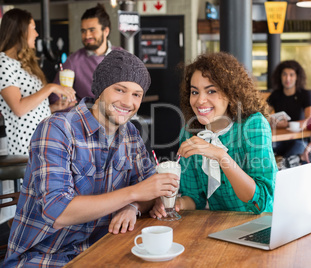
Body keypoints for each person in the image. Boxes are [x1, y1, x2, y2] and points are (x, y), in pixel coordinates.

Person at [3, 50, 179, 267]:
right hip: (45, 257)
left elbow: (151, 190)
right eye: (120, 90)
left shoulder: (131, 134)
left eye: (136, 94)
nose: (127, 101)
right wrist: (134, 193)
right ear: (100, 89)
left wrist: (133, 206)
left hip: (103, 251)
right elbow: (58, 212)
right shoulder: (57, 128)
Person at [150, 52, 277, 219]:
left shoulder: (253, 125)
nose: (200, 100)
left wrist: (220, 156)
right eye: (194, 92)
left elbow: (261, 202)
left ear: (231, 93)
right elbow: (196, 199)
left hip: (258, 223)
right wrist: (176, 203)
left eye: (211, 91)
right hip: (218, 227)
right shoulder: (189, 133)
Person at [0, 8, 76, 155]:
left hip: (39, 140)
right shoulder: (3, 62)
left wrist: (53, 107)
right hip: (22, 146)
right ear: (21, 31)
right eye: (33, 28)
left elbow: (31, 107)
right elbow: (19, 108)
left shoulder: (23, 64)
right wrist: (51, 88)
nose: (36, 34)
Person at [50, 3, 123, 104]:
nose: (87, 35)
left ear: (106, 31)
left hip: (120, 116)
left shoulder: (123, 56)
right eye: (83, 31)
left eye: (92, 30)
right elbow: (55, 98)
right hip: (87, 118)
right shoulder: (73, 61)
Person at [267, 60, 311, 159]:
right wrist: (271, 120)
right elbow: (263, 114)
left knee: (297, 150)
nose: (287, 78)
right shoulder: (275, 95)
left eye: (291, 75)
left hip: (299, 139)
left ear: (297, 77)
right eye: (284, 74)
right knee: (264, 148)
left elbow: (310, 120)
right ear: (280, 76)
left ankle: (283, 167)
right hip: (279, 140)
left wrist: (287, 124)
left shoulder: (305, 94)